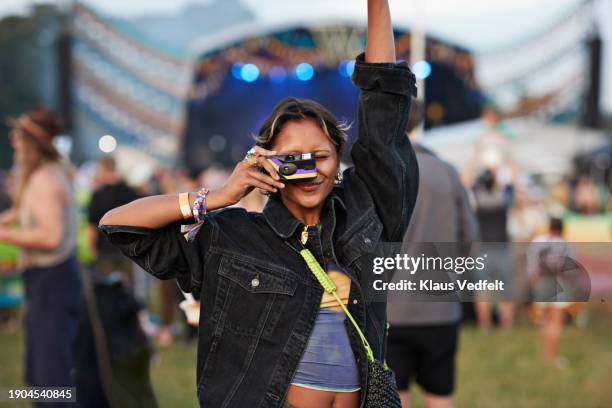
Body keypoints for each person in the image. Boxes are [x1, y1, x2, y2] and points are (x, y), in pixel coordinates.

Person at [99, 1, 418, 406]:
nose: (311, 171)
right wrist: (218, 197)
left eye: (320, 156)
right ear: (265, 162)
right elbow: (120, 225)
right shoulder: (234, 238)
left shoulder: (367, 211)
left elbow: (383, 100)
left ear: (340, 158)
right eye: (293, 160)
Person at [386, 102, 479, 408]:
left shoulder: (382, 174)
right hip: (440, 307)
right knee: (440, 395)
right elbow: (470, 238)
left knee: (393, 396)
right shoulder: (448, 173)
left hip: (390, 309)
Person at [0, 107, 83, 392]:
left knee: (51, 376)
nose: (13, 140)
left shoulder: (45, 179)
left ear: (32, 142)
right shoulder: (41, 175)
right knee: (39, 373)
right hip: (46, 279)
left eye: (19, 136)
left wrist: (3, 234)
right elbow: (21, 214)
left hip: (54, 279)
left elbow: (50, 237)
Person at [87, 156, 141, 281]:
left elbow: (92, 225)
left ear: (103, 169)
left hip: (105, 249)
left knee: (109, 289)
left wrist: (92, 247)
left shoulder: (98, 194)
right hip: (129, 247)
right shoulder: (129, 191)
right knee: (128, 289)